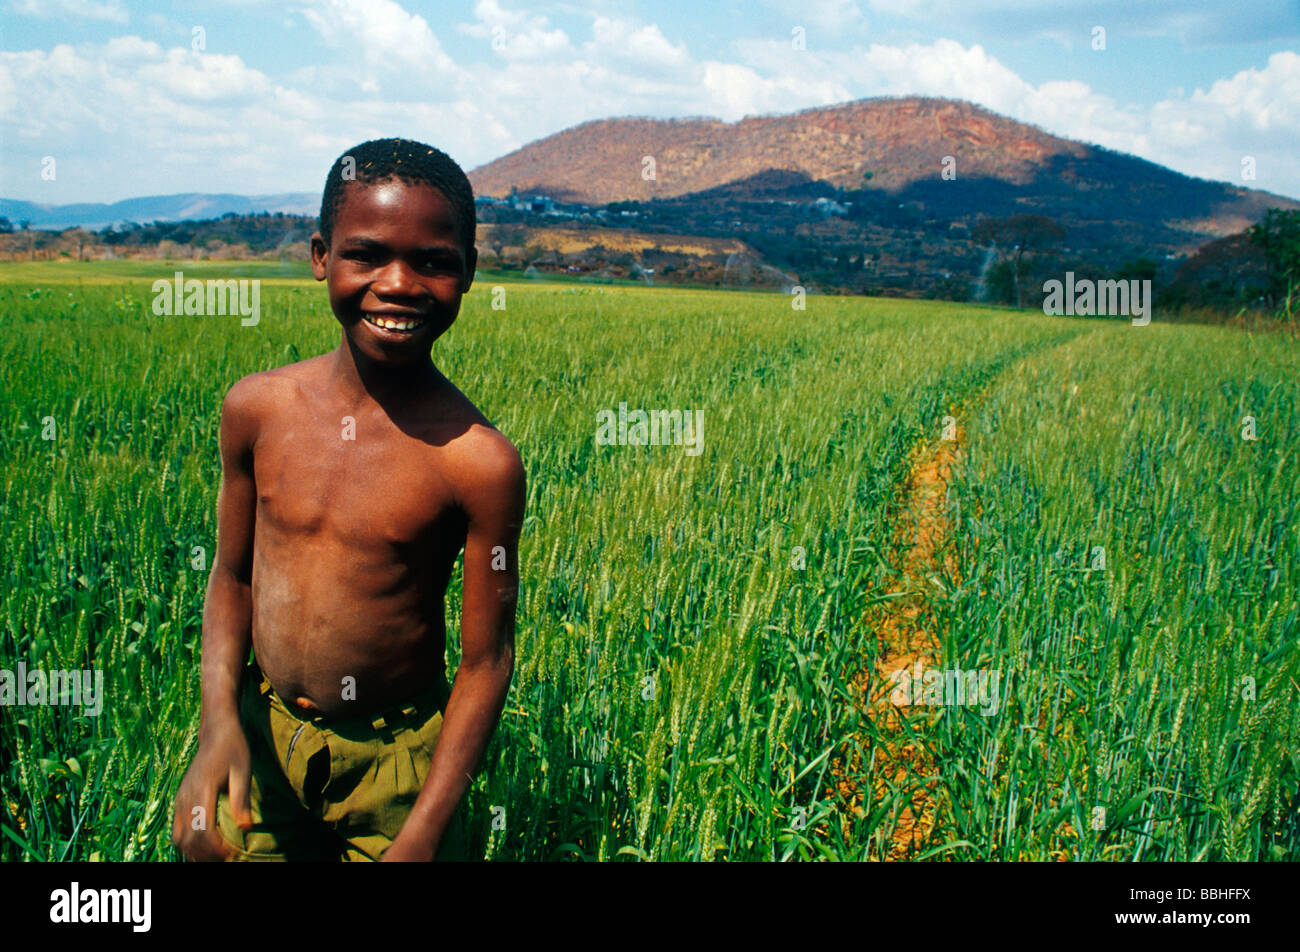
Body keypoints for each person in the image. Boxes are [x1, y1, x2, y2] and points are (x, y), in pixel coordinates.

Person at [170, 138, 525, 861]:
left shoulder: (478, 463)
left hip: (398, 769)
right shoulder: (257, 410)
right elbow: (232, 579)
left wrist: (424, 830)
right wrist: (217, 732)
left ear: (469, 273)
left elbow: (486, 661)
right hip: (261, 740)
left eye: (433, 261)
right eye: (367, 254)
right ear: (320, 256)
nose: (399, 284)